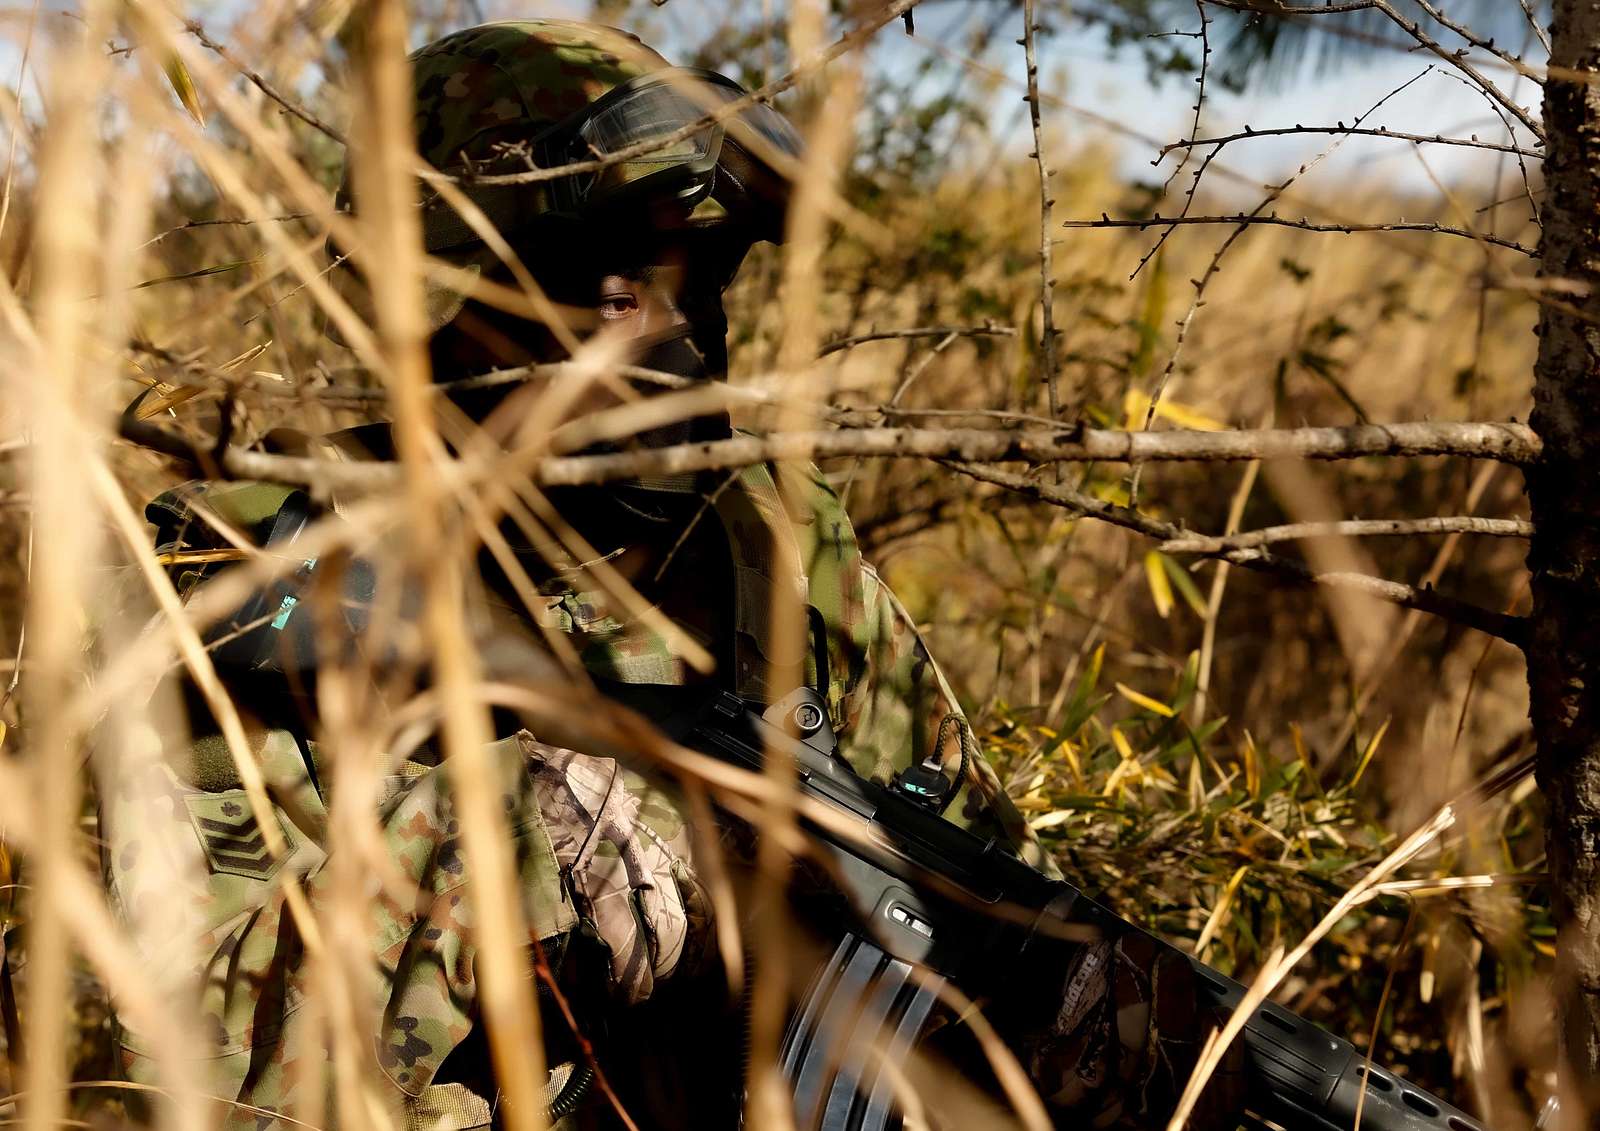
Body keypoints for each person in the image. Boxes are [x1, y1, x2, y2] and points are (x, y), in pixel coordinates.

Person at [102, 19, 1236, 1130]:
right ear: (438, 299)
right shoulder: (247, 571)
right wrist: (513, 860)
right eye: (614, 295)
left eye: (706, 289)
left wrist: (1070, 1013)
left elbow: (972, 869)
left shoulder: (773, 537)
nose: (683, 347)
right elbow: (133, 1059)